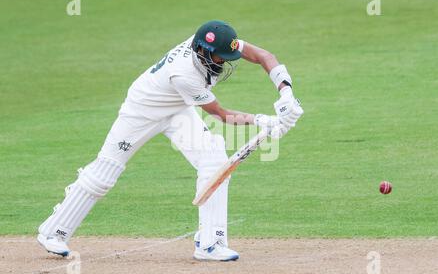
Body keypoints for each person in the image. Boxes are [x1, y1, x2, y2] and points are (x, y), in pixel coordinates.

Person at [37, 20, 303, 261]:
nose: (223, 62)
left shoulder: (212, 42)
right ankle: (53, 232)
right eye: (220, 57)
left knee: (214, 160)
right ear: (202, 50)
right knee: (104, 174)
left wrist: (286, 92)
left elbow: (263, 56)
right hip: (142, 111)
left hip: (176, 108)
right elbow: (221, 115)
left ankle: (210, 243)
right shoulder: (185, 74)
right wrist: (262, 120)